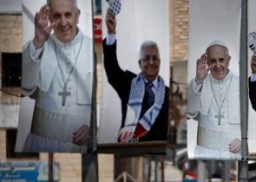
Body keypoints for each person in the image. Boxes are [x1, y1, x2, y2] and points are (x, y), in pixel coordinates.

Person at [21, 0, 93, 153]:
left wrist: (93, 128)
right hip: (41, 145)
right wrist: (38, 41)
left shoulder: (93, 50)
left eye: (68, 14)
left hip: (80, 148)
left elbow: (105, 102)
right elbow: (24, 87)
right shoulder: (37, 46)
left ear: (77, 16)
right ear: (50, 18)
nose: (63, 22)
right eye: (57, 16)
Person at [103, 9, 169, 143]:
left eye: (155, 58)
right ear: (140, 63)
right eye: (147, 58)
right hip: (130, 152)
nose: (151, 62)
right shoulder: (128, 83)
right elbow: (111, 68)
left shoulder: (168, 93)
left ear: (160, 62)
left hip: (157, 153)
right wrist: (111, 33)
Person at [187, 40, 241, 159]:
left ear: (228, 60)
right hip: (204, 153)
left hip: (233, 154)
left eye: (221, 60)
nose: (217, 65)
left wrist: (244, 139)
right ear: (207, 62)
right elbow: (188, 112)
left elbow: (252, 121)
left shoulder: (242, 84)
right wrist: (198, 80)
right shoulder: (198, 83)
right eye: (213, 61)